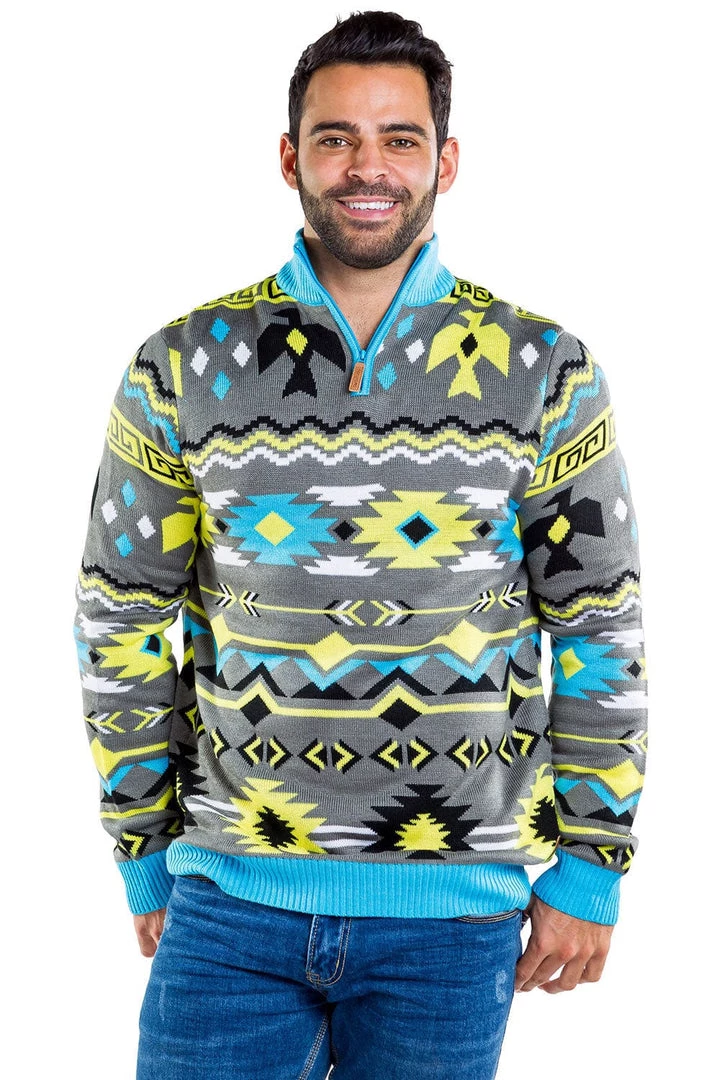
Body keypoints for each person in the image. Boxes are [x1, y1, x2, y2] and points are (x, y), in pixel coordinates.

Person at [74, 11, 647, 1079]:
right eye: (335, 138)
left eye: (399, 138)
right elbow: (120, 617)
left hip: (456, 919)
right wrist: (143, 852)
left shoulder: (546, 368)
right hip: (229, 903)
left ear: (446, 161)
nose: (366, 167)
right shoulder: (182, 365)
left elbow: (599, 626)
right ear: (290, 158)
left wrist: (593, 864)